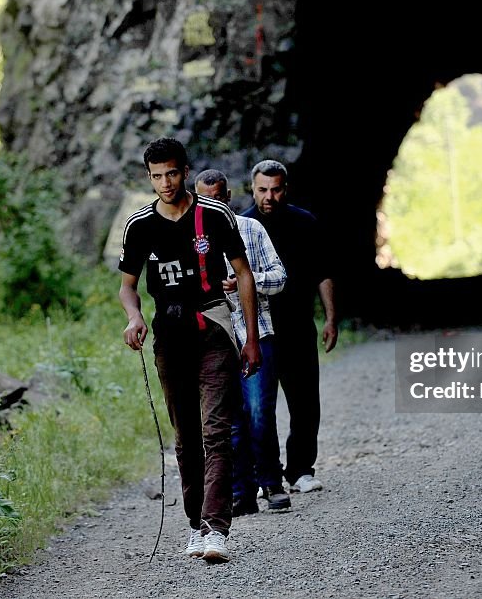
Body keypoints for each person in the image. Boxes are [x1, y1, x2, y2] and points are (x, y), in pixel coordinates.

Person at [119, 138, 261, 564]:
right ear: (149, 177)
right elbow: (127, 286)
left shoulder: (214, 215)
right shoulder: (140, 225)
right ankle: (196, 524)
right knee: (186, 439)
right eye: (157, 176)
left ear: (185, 170)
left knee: (216, 430)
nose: (166, 183)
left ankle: (217, 528)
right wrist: (134, 317)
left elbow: (243, 273)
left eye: (173, 173)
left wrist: (250, 337)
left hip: (213, 327)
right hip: (169, 334)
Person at [194, 169, 293, 515]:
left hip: (257, 333)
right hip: (213, 339)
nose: (212, 205)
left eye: (218, 198)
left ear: (229, 196)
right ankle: (241, 492)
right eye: (204, 200)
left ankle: (272, 482)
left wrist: (243, 282)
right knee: (228, 419)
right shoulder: (192, 241)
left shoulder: (250, 230)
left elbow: (279, 277)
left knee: (258, 411)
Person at [240, 159, 337, 494]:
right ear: (252, 188)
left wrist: (330, 318)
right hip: (260, 331)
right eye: (263, 189)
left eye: (276, 189)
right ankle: (265, 474)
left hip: (298, 327)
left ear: (286, 188)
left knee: (305, 402)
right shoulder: (242, 226)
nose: (270, 196)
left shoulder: (304, 222)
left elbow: (322, 271)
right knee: (259, 407)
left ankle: (300, 469)